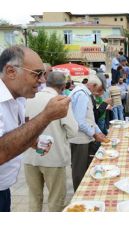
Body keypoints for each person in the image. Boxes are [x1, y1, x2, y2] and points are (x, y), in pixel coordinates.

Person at [0, 46, 70, 212]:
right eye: (37, 74)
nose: (42, 80)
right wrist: (46, 116)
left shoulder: (19, 99)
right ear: (11, 71)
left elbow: (11, 136)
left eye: (43, 74)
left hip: (4, 188)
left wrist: (33, 142)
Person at [23, 71, 78, 212]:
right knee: (56, 200)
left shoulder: (28, 98)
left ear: (46, 82)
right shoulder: (61, 100)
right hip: (54, 158)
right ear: (63, 86)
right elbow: (73, 131)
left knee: (34, 198)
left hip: (30, 157)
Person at [68, 74, 107, 191]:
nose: (98, 93)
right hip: (79, 139)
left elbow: (90, 119)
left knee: (85, 168)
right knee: (79, 171)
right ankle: (79, 196)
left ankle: (85, 191)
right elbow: (80, 121)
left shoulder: (84, 94)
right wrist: (94, 134)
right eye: (98, 89)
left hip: (84, 138)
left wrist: (99, 132)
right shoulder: (81, 95)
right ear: (93, 85)